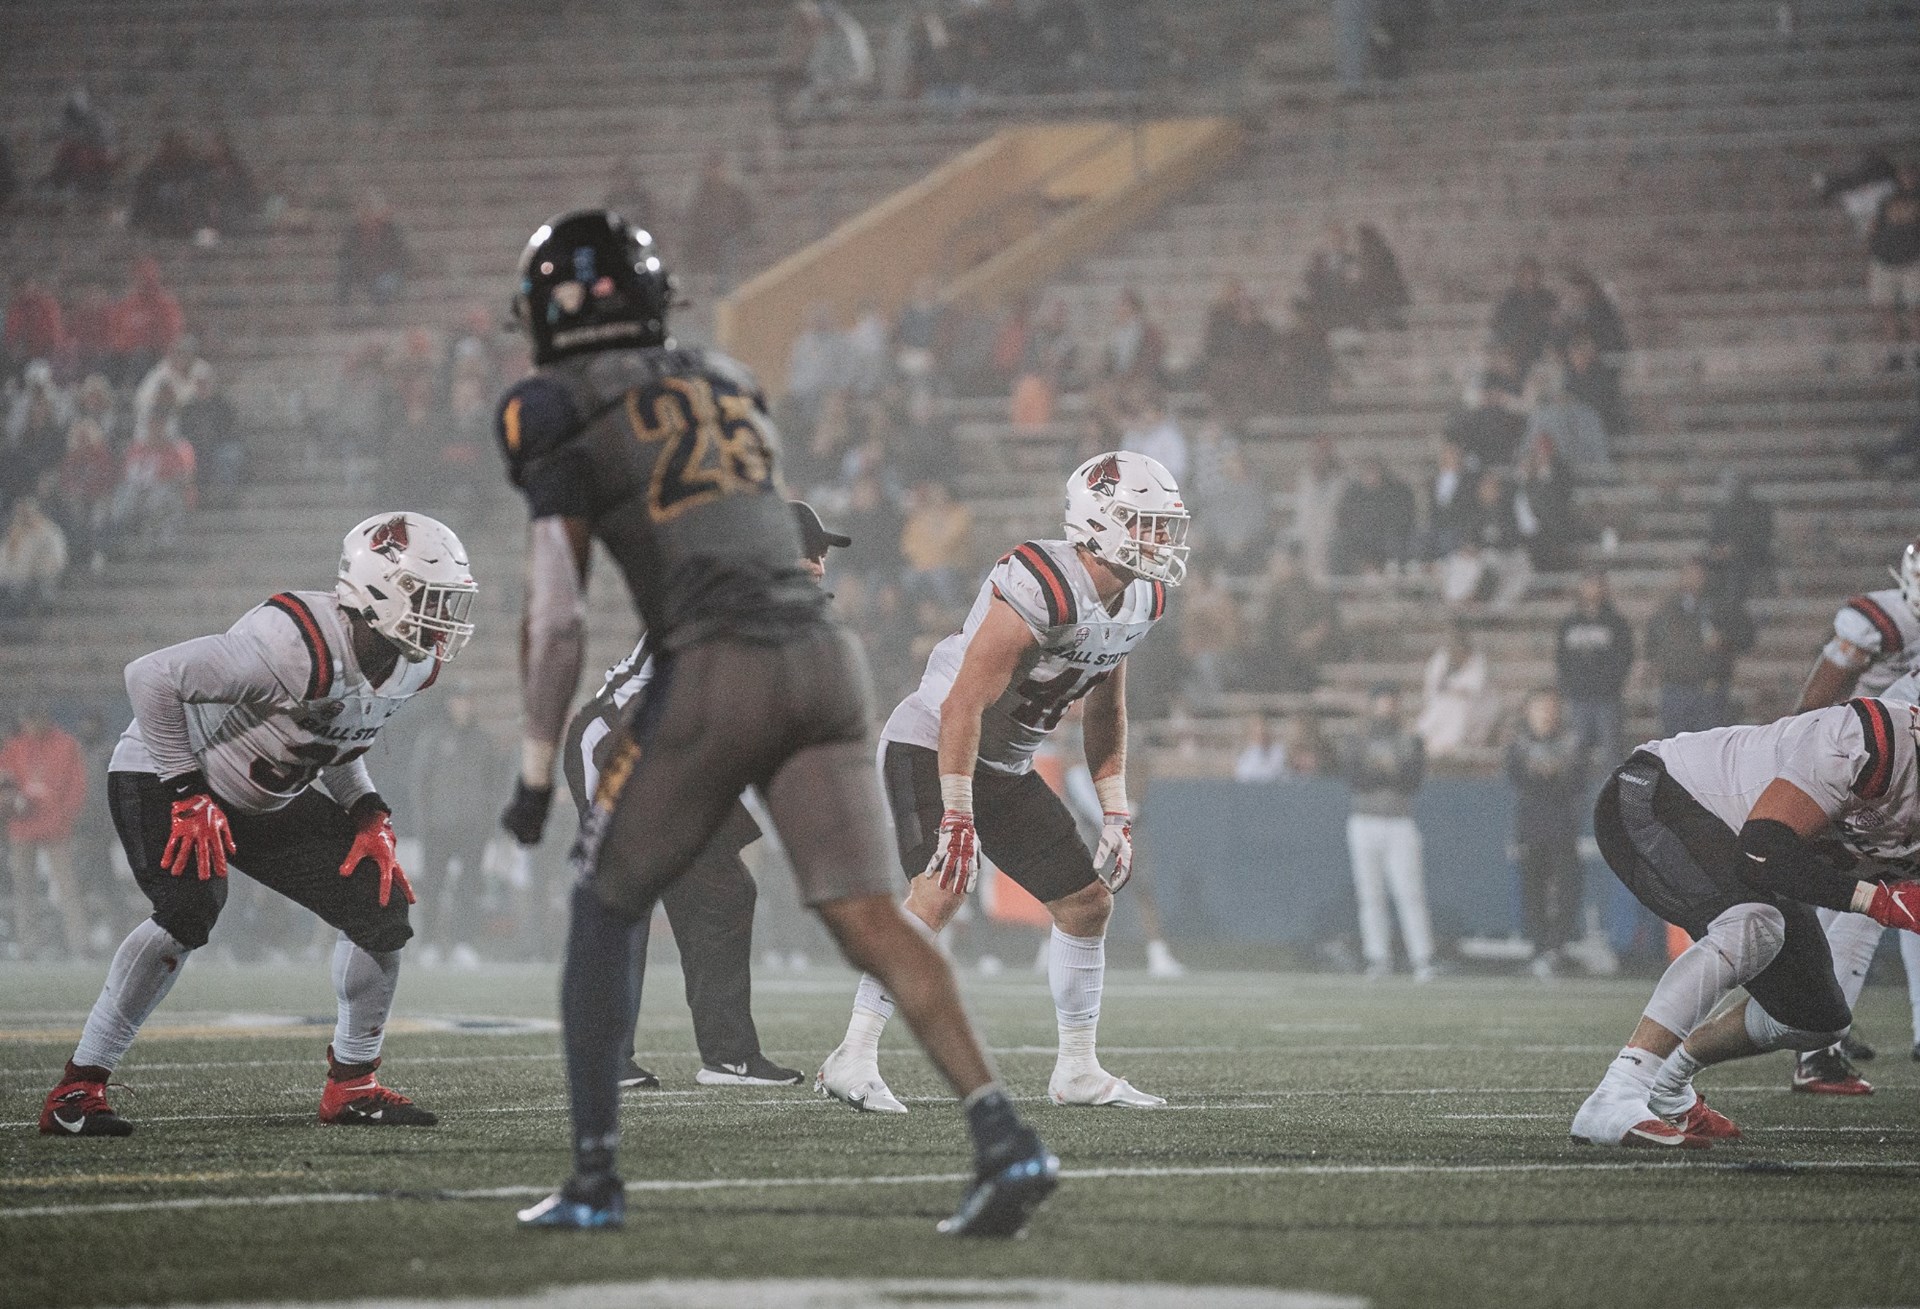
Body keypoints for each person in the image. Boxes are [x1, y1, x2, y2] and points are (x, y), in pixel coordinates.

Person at [492, 211, 1056, 1236]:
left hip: (717, 658)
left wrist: (536, 768)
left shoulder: (552, 404)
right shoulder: (723, 377)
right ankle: (1003, 1134)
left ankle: (592, 1177)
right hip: (824, 660)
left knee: (602, 905)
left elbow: (560, 612)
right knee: (872, 916)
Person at [37, 512, 476, 1136]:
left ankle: (353, 1084)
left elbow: (337, 742)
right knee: (191, 906)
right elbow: (150, 678)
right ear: (381, 589)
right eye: (432, 598)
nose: (444, 617)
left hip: (268, 792)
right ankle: (76, 1091)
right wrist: (188, 793)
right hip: (167, 771)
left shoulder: (411, 665)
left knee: (379, 905)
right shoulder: (294, 645)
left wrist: (368, 811)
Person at [817, 450, 1189, 1116]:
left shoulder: (1143, 596)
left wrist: (1115, 810)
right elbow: (962, 703)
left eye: (1163, 526)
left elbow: (1106, 705)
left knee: (1086, 903)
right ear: (1097, 521)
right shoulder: (1042, 581)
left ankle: (1077, 1070)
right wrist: (957, 815)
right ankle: (853, 1054)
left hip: (1005, 765)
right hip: (933, 742)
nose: (1160, 541)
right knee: (942, 885)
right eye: (1144, 523)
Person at [553, 501, 850, 1091]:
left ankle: (729, 1055)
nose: (820, 565)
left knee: (723, 891)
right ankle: (604, 1058)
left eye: (820, 555)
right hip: (622, 744)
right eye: (807, 553)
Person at [1570, 699, 1920, 1148]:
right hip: (1658, 795)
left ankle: (1669, 1085)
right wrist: (1879, 901)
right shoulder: (1876, 740)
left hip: (1746, 856)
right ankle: (1617, 1094)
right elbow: (1764, 851)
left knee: (1816, 1021)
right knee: (1754, 921)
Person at [1780, 540, 1920, 1092]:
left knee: (1887, 898)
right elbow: (1828, 686)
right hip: (1865, 761)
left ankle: (1819, 1042)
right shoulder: (1885, 618)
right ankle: (1815, 1044)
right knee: (1869, 901)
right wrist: (1799, 734)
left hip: (1890, 758)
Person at [1342, 685, 1434, 980]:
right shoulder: (1358, 740)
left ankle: (1422, 957)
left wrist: (1383, 772)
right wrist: (1388, 772)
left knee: (1409, 892)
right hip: (1364, 819)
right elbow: (1356, 777)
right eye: (1381, 703)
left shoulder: (1410, 740)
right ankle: (1377, 957)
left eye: (1391, 703)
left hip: (1399, 821)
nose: (1386, 710)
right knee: (1370, 894)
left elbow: (1412, 780)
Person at [1507, 689, 1586, 975]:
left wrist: (1547, 777)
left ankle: (1557, 947)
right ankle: (1538, 948)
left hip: (1562, 826)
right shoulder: (1519, 745)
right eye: (1539, 708)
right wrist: (1548, 776)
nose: (1544, 714)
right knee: (1533, 890)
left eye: (1549, 708)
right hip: (1531, 826)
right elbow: (1518, 779)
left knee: (1566, 889)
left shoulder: (1572, 742)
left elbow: (1576, 782)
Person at [0, 707, 90, 958]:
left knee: (67, 886)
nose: (28, 725)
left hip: (55, 825)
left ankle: (79, 944)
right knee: (23, 887)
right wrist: (12, 803)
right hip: (22, 824)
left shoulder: (65, 745)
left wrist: (67, 815)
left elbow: (77, 784)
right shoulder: (15, 747)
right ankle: (29, 945)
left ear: (43, 718)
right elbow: (5, 784)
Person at [1645, 558, 1753, 735]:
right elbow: (1652, 642)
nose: (1694, 579)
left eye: (1698, 574)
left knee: (1708, 746)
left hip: (1709, 688)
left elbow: (1745, 637)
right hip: (1675, 687)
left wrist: (1724, 640)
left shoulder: (1722, 606)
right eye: (1689, 574)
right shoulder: (1667, 609)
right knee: (1674, 747)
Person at [1555, 569, 1635, 772]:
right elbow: (1561, 658)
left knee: (1611, 752)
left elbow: (1626, 656)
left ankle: (1613, 798)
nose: (1592, 590)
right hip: (1578, 697)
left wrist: (1611, 682)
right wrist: (1570, 685)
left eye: (1597, 585)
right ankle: (1576, 797)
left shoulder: (1616, 623)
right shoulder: (1569, 623)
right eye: (1588, 585)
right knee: (1577, 752)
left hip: (1607, 697)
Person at [1866, 160, 1920, 369]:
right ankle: (1893, 355)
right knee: (1885, 309)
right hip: (1884, 260)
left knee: (1915, 309)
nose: (1908, 177)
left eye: (1911, 172)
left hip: (1912, 261)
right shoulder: (1887, 199)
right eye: (1904, 173)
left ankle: (1915, 354)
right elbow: (1873, 227)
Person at [1416, 620, 1495, 759]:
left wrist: (1452, 690)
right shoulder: (1441, 658)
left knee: (1458, 706)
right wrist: (1450, 690)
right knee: (1441, 707)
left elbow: (1474, 689)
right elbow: (1432, 689)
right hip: (1443, 704)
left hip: (1475, 708)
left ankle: (1451, 743)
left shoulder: (1477, 660)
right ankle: (1429, 741)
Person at [1488, 255, 1559, 374]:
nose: (1529, 278)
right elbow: (1499, 323)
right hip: (1514, 347)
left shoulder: (1548, 297)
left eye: (1533, 274)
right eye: (1525, 274)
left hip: (1541, 345)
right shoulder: (1509, 297)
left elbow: (1555, 323)